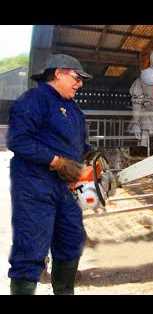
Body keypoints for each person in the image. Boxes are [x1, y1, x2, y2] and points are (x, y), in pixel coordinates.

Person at [7, 54, 93, 295]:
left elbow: (80, 146)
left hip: (68, 188)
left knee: (72, 240)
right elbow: (18, 140)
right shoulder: (33, 100)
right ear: (58, 73)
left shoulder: (74, 110)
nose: (80, 84)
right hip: (35, 186)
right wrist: (56, 161)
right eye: (77, 78)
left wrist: (93, 158)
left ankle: (64, 291)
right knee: (32, 246)